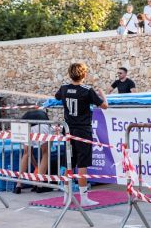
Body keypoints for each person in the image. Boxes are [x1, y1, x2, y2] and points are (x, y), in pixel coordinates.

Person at [54, 63, 108, 207]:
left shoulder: (64, 88)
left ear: (70, 74)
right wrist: (103, 95)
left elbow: (57, 96)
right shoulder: (87, 90)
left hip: (69, 130)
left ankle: (66, 195)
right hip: (83, 130)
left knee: (69, 162)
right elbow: (104, 106)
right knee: (82, 163)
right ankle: (84, 197)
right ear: (84, 75)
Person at [13, 109, 51, 194]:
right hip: (41, 125)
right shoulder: (45, 117)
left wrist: (36, 166)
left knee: (26, 153)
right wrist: (37, 166)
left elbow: (29, 153)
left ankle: (18, 185)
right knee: (46, 153)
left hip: (24, 126)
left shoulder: (29, 113)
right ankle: (40, 185)